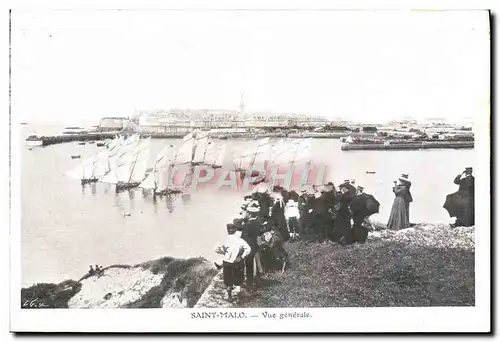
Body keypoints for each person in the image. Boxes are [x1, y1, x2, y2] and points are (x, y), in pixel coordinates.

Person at [215, 223, 251, 301]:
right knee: (238, 280)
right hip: (236, 262)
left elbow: (217, 250)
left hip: (227, 262)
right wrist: (241, 257)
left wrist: (223, 252)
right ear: (235, 230)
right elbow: (248, 249)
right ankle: (238, 297)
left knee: (228, 281)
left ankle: (230, 297)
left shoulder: (225, 240)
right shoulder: (240, 240)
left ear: (227, 230)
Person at [241, 206, 263, 291]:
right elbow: (258, 236)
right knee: (255, 263)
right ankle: (255, 279)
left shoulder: (247, 225)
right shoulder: (258, 223)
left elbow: (243, 237)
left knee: (248, 265)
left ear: (249, 214)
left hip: (248, 247)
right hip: (255, 246)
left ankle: (249, 283)